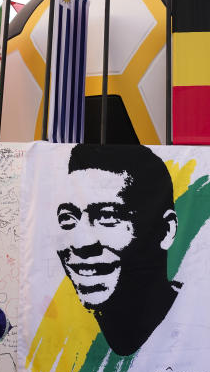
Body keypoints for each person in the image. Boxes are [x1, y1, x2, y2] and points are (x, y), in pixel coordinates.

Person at [54, 144, 178, 356]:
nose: (81, 244)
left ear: (166, 230)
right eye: (67, 218)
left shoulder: (204, 319)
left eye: (108, 216)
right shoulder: (58, 335)